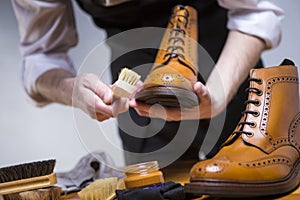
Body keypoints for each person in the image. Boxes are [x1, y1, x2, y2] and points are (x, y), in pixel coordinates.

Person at [12, 0, 283, 166]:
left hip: (227, 71)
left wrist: (219, 95)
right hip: (140, 101)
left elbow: (253, 13)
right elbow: (41, 55)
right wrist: (71, 89)